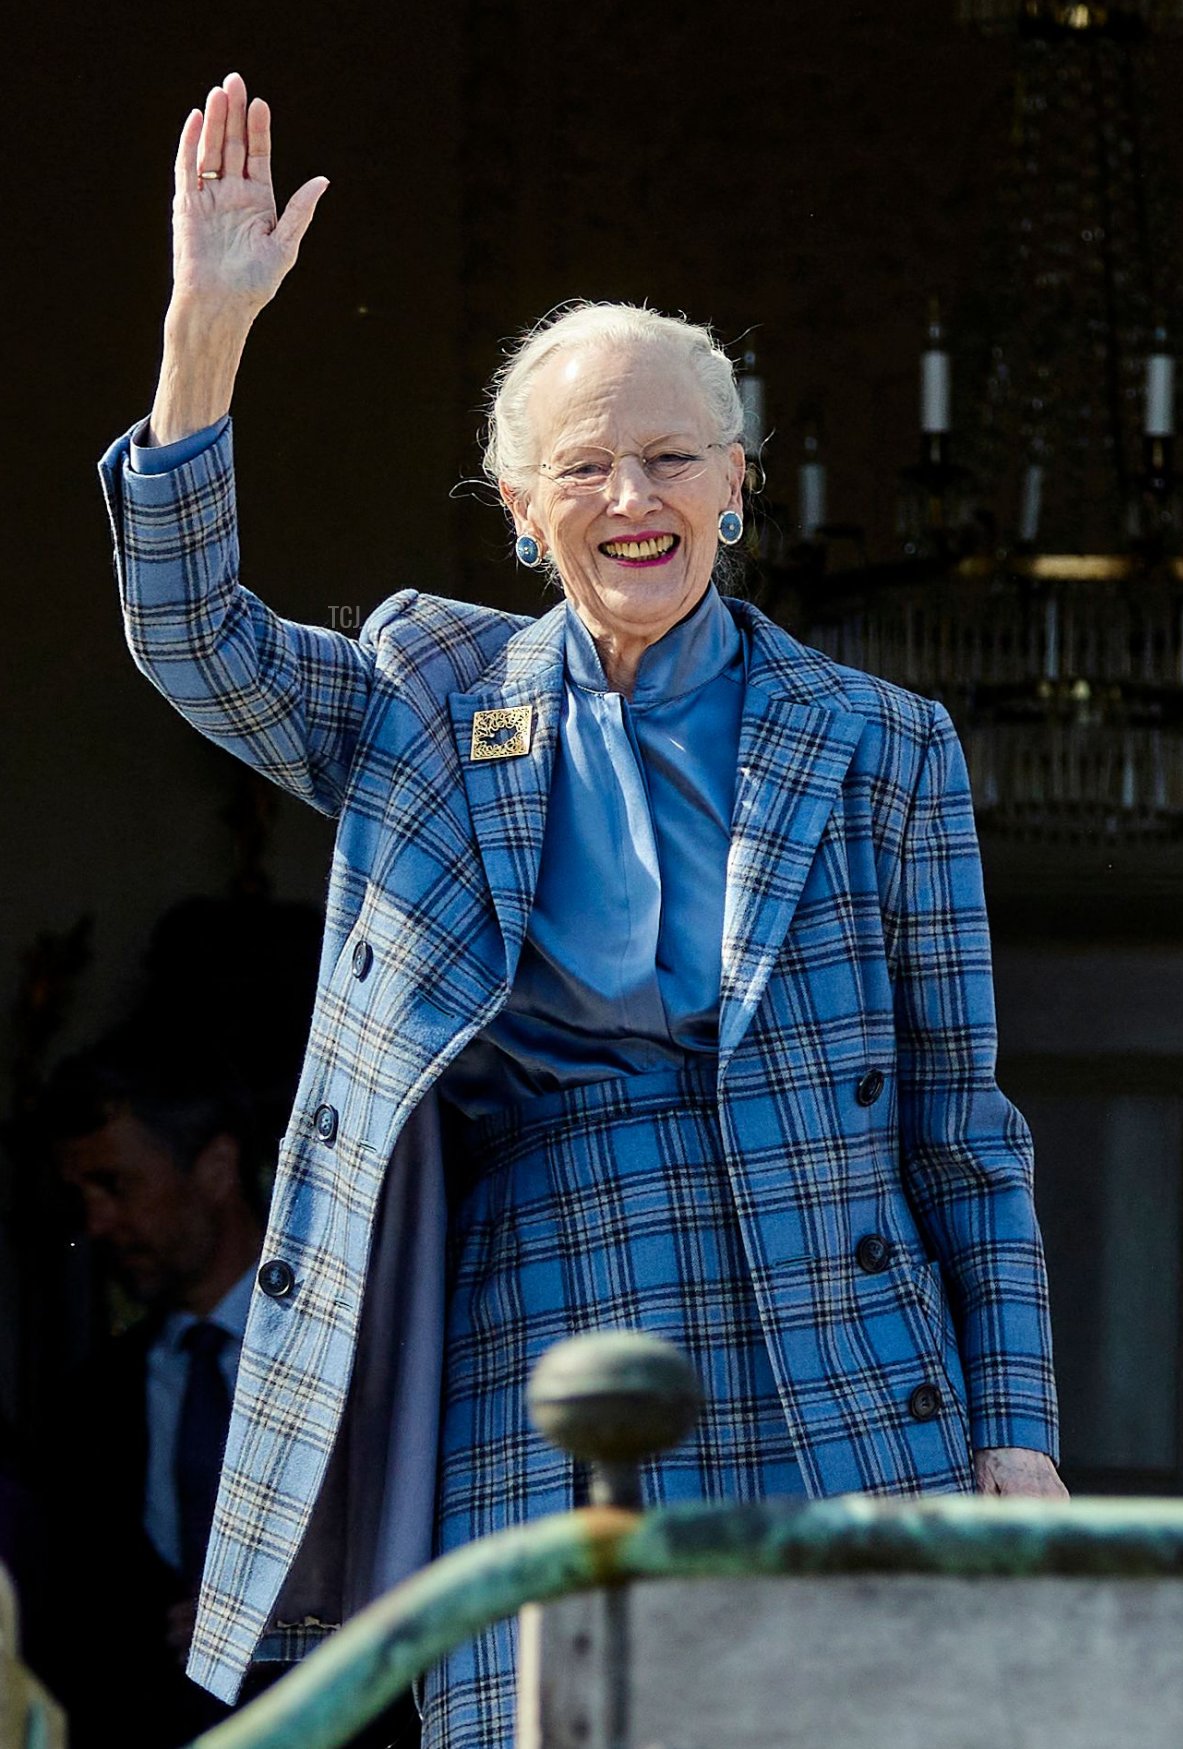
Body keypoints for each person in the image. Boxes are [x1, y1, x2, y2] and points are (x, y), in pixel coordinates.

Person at [98, 72, 1065, 1749]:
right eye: (588, 466)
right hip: (546, 1326)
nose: (636, 496)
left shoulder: (885, 743)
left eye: (673, 454)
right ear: (526, 514)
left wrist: (1020, 1424)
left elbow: (962, 1123)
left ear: (739, 483)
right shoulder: (420, 690)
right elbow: (194, 636)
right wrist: (207, 329)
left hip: (836, 1350)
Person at [45, 1028, 266, 1747]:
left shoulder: (355, 1360)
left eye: (115, 1184)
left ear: (218, 1168)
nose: (96, 1223)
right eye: (82, 1194)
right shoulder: (88, 1405)